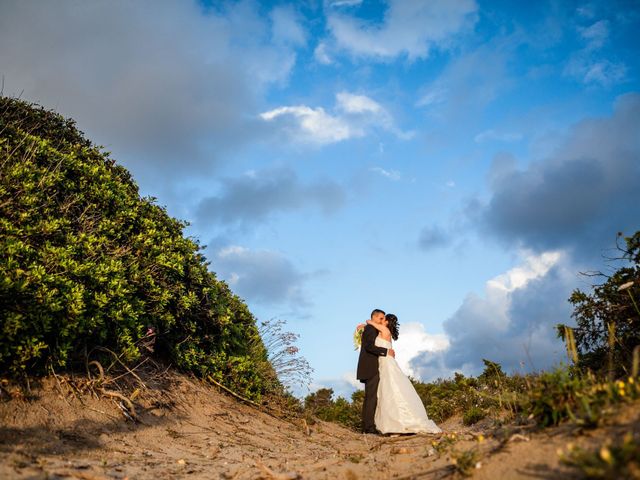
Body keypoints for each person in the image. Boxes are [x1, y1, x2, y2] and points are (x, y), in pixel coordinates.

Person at [367, 313, 442, 434]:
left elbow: (369, 321)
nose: (380, 321)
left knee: (391, 389)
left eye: (383, 319)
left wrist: (363, 325)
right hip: (384, 363)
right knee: (388, 391)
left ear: (386, 322)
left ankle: (399, 424)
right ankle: (393, 424)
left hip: (386, 363)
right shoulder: (384, 331)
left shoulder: (384, 330)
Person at [356, 309, 394, 434]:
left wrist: (366, 324)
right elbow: (369, 346)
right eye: (381, 318)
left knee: (371, 397)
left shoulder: (371, 328)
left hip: (372, 367)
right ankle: (369, 428)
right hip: (370, 367)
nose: (383, 321)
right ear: (374, 318)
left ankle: (367, 427)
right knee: (371, 398)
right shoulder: (371, 329)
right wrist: (385, 351)